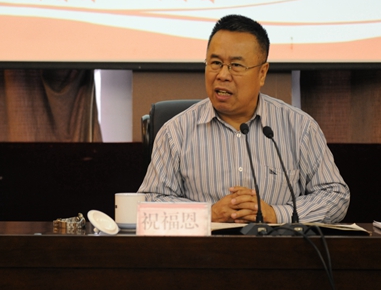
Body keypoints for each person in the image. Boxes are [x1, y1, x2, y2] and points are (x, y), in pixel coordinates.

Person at [138, 14, 349, 224]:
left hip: (275, 245)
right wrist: (207, 213)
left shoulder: (299, 127)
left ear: (262, 73)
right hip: (205, 245)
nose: (222, 75)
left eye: (236, 66)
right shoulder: (176, 132)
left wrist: (276, 214)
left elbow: (335, 195)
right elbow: (150, 201)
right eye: (215, 63)